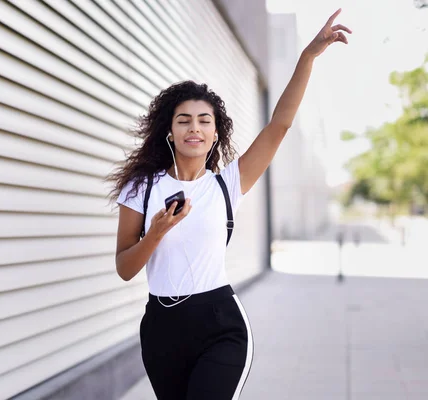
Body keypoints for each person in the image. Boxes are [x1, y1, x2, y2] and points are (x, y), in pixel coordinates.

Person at [106, 9, 351, 400]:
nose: (195, 128)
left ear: (215, 132)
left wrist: (307, 56)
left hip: (220, 323)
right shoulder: (141, 187)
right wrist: (155, 234)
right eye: (184, 120)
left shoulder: (227, 183)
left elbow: (279, 125)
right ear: (169, 131)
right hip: (161, 329)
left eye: (204, 121)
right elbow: (124, 267)